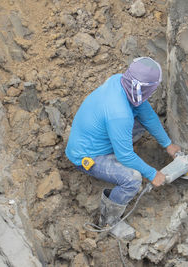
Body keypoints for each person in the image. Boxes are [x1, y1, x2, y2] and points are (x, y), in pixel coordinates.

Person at [65, 57, 180, 240]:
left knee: (141, 122)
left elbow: (148, 117)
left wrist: (168, 145)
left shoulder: (123, 82)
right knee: (132, 179)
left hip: (98, 135)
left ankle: (119, 147)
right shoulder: (119, 113)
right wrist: (152, 174)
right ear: (147, 88)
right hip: (87, 156)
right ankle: (108, 221)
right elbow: (125, 157)